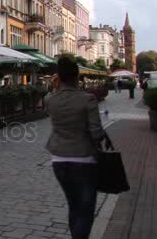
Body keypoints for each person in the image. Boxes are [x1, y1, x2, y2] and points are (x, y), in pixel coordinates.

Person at [45, 56, 111, 239]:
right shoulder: (87, 99)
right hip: (83, 159)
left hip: (58, 160)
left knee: (73, 205)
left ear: (59, 77)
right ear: (77, 77)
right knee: (86, 209)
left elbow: (49, 99)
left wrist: (54, 86)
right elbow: (97, 133)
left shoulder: (50, 100)